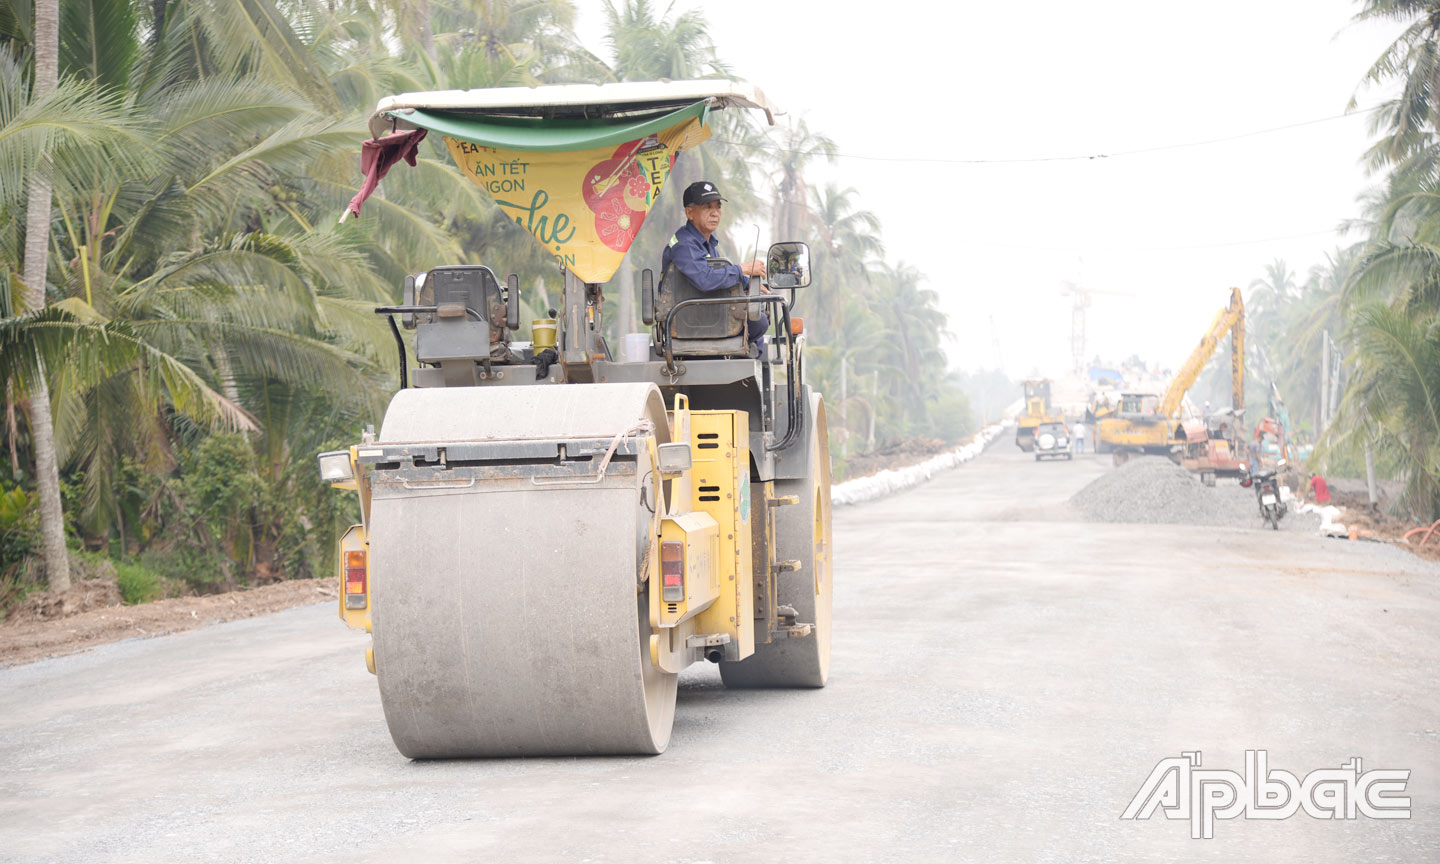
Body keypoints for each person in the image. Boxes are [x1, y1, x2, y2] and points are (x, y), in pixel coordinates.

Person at [661, 181, 769, 345]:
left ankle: (748, 353)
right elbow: (704, 279)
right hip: (689, 319)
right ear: (690, 212)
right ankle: (745, 356)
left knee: (760, 310)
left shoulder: (707, 243)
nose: (715, 213)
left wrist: (747, 283)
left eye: (718, 207)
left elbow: (719, 275)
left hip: (707, 313)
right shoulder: (684, 244)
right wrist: (742, 269)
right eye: (707, 207)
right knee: (758, 322)